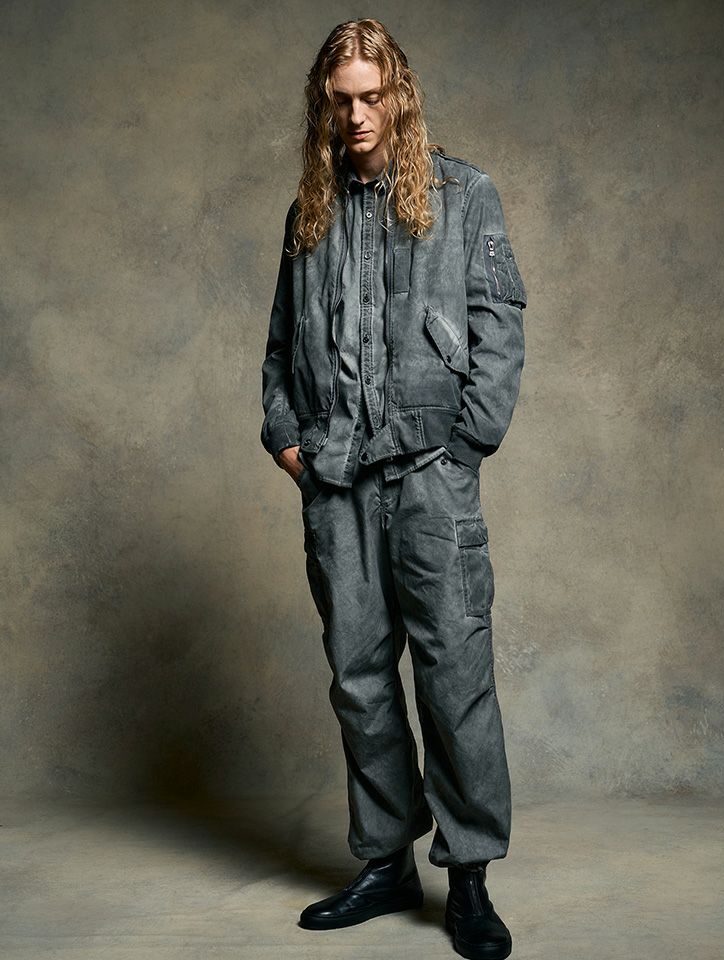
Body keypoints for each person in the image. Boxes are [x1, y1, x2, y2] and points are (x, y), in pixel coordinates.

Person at [260, 18, 526, 960]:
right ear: (324, 105)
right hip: (335, 484)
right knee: (360, 680)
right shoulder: (308, 212)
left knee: (455, 675)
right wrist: (288, 444)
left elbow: (500, 332)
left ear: (399, 95)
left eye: (373, 96)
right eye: (342, 100)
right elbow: (279, 350)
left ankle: (470, 877)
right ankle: (385, 863)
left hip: (428, 480)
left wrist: (465, 447)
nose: (358, 115)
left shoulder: (465, 196)